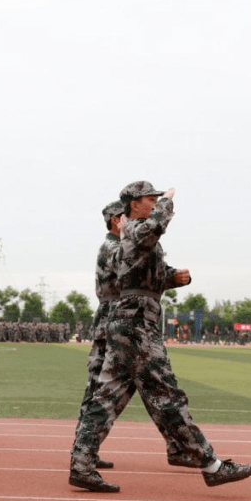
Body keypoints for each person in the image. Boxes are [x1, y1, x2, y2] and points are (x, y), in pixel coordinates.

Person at [69, 181, 251, 493]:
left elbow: (140, 272)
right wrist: (167, 204)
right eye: (150, 198)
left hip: (131, 321)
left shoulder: (135, 234)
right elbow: (152, 231)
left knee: (107, 397)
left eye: (157, 197)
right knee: (167, 396)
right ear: (134, 204)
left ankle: (81, 463)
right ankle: (211, 465)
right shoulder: (134, 230)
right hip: (137, 324)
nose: (155, 201)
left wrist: (172, 278)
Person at [70, 199, 192, 478]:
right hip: (118, 325)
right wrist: (170, 276)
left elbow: (147, 273)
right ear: (116, 220)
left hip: (128, 323)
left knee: (135, 390)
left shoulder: (123, 245)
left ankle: (86, 452)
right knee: (101, 390)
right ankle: (83, 451)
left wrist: (174, 277)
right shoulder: (113, 247)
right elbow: (134, 273)